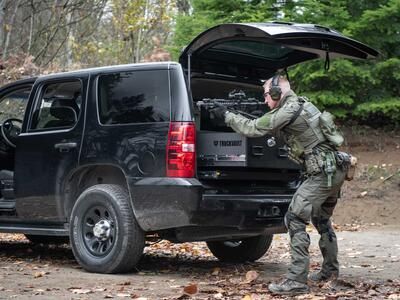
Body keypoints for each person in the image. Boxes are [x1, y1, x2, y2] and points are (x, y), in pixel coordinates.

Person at [210, 74, 347, 295]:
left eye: (266, 95)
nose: (264, 100)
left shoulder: (289, 109)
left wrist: (226, 116)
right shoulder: (300, 103)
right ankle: (329, 271)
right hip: (334, 169)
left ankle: (296, 281)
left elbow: (254, 129)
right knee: (321, 219)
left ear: (276, 93)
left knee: (294, 218)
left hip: (322, 173)